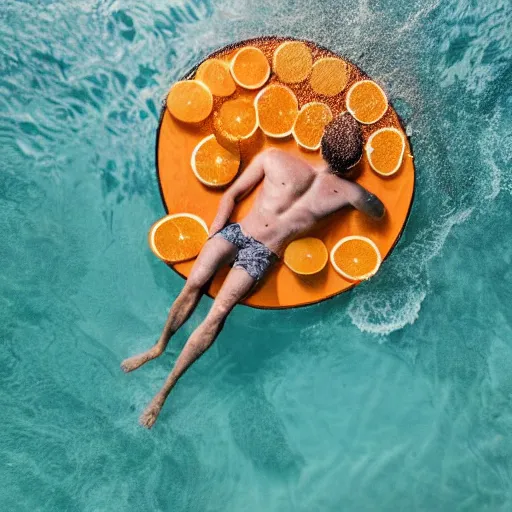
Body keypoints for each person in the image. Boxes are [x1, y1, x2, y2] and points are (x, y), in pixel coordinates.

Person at [121, 113, 385, 428]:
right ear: (353, 162)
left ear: (320, 142)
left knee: (197, 291)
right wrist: (359, 181)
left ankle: (161, 368)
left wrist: (215, 235)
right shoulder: (345, 192)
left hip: (238, 234)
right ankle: (160, 369)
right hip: (259, 252)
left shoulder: (274, 157)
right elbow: (378, 211)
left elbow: (231, 195)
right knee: (214, 309)